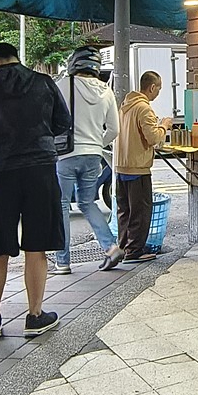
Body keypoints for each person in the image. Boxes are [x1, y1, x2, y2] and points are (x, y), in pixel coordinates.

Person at [0, 42, 71, 341]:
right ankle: (35, 315)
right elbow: (63, 123)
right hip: (41, 172)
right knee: (36, 246)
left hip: (2, 174)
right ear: (16, 58)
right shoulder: (43, 83)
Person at [54, 46, 122, 274]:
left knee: (62, 204)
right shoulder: (107, 91)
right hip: (94, 156)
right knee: (88, 203)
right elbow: (114, 129)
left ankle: (62, 262)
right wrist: (96, 143)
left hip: (66, 154)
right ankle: (111, 247)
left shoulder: (63, 85)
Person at [115, 71, 172, 263]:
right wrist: (164, 125)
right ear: (152, 87)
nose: (158, 93)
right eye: (159, 89)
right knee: (140, 212)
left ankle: (123, 248)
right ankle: (134, 251)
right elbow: (153, 138)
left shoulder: (125, 106)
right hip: (138, 168)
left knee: (125, 212)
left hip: (121, 166)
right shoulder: (144, 108)